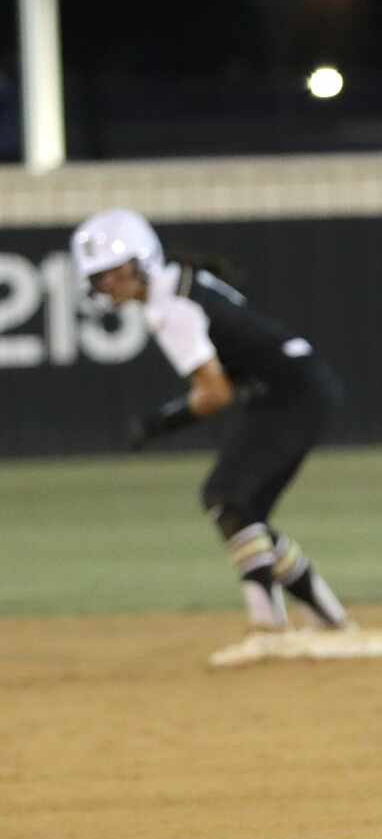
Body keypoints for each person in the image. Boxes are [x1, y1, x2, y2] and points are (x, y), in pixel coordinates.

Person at [70, 209, 352, 651]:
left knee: (226, 497)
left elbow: (214, 393)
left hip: (289, 393)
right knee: (244, 513)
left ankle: (269, 626)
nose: (106, 285)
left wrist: (161, 422)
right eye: (99, 277)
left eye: (112, 272)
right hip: (295, 386)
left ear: (140, 261)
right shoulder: (179, 282)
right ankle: (328, 617)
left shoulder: (169, 308)